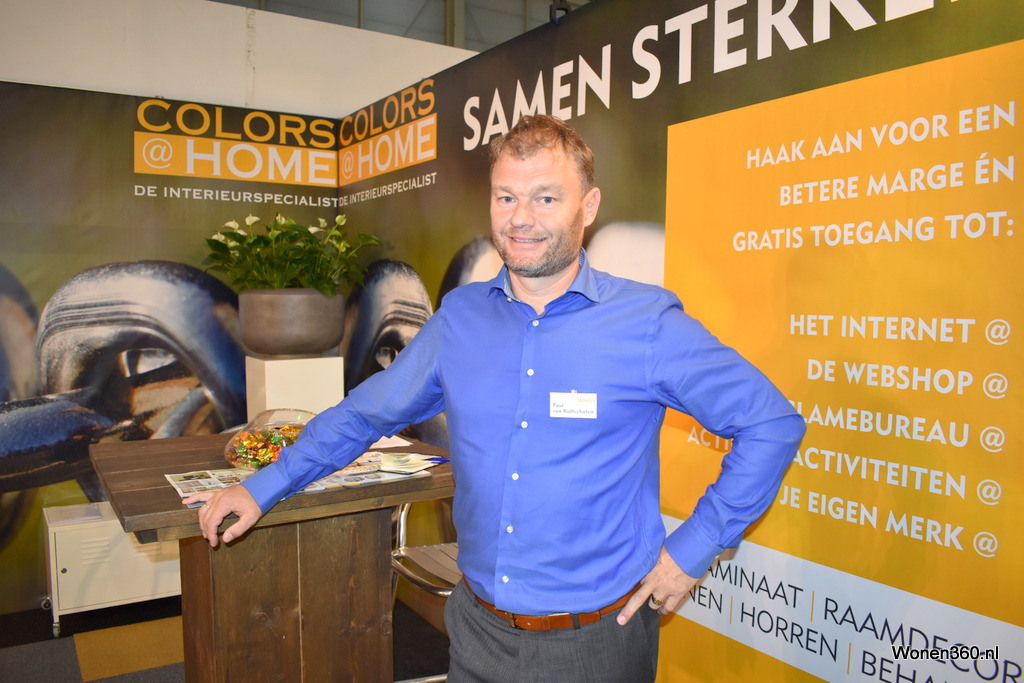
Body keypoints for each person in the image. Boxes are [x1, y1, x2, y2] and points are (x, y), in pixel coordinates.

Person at [186, 114, 806, 682]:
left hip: (596, 643)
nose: (520, 218)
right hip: (477, 631)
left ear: (588, 206)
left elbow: (771, 424)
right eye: (506, 197)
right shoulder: (460, 318)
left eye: (545, 198)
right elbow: (364, 414)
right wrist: (262, 486)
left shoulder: (644, 323)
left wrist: (690, 553)